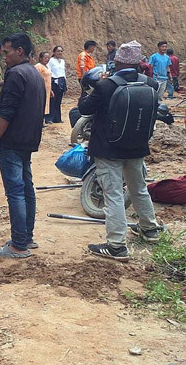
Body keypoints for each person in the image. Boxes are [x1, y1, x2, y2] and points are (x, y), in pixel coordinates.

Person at [79, 40, 162, 261]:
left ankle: (116, 246)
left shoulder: (106, 85)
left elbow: (84, 108)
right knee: (138, 188)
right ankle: (150, 230)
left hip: (108, 149)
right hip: (137, 147)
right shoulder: (150, 84)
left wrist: (86, 88)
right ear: (138, 63)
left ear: (116, 61)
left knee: (114, 195)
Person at [0, 33, 46, 259]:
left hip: (12, 141)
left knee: (16, 191)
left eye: (7, 52)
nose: (4, 57)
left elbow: (6, 113)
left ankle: (19, 244)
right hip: (28, 139)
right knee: (26, 186)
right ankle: (26, 236)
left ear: (20, 51)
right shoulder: (34, 73)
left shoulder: (16, 74)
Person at [48, 46, 67, 123]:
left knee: (58, 101)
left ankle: (57, 118)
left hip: (61, 81)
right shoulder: (51, 61)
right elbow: (49, 72)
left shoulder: (62, 61)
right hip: (54, 81)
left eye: (61, 51)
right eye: (58, 51)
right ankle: (50, 118)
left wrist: (65, 84)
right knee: (52, 100)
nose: (60, 53)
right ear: (54, 52)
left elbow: (63, 73)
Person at [35, 51, 53, 124]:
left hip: (47, 89)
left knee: (45, 104)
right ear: (40, 58)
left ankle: (43, 121)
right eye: (45, 58)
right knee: (40, 104)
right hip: (41, 88)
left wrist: (51, 90)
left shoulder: (47, 66)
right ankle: (39, 122)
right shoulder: (38, 66)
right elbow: (36, 78)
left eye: (48, 58)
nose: (47, 59)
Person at [76, 40, 97, 104]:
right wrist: (84, 78)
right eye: (93, 47)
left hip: (87, 76)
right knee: (86, 92)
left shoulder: (88, 56)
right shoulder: (84, 55)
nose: (94, 49)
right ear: (90, 47)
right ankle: (81, 105)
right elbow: (83, 67)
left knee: (85, 92)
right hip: (85, 77)